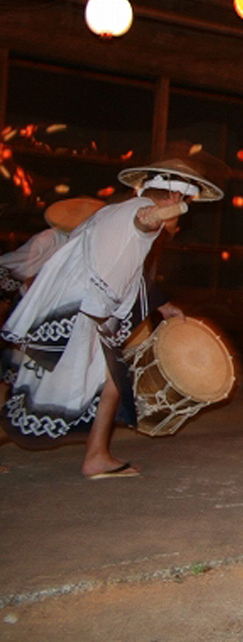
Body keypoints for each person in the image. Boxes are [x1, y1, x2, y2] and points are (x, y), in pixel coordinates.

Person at [0, 153, 224, 477]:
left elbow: (123, 268)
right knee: (42, 392)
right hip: (77, 315)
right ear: (175, 196)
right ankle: (95, 456)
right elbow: (143, 224)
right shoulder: (143, 216)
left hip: (76, 311)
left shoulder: (112, 212)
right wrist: (152, 218)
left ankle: (96, 456)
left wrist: (160, 304)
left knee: (110, 382)